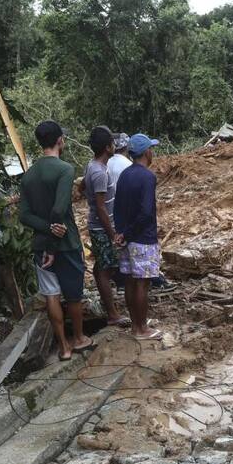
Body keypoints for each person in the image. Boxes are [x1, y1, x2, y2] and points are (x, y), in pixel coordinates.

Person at [19, 120, 92, 360]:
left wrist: (45, 230)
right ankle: (79, 339)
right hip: (65, 243)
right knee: (73, 295)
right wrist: (54, 233)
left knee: (51, 294)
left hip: (40, 244)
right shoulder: (64, 169)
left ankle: (63, 348)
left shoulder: (28, 176)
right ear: (60, 140)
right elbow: (59, 209)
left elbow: (24, 216)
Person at [114, 133, 163, 340]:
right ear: (146, 152)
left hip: (126, 237)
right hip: (142, 237)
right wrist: (129, 232)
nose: (152, 152)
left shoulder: (125, 174)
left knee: (130, 282)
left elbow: (117, 207)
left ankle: (135, 325)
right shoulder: (148, 177)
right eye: (151, 149)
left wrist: (121, 233)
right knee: (142, 283)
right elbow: (146, 212)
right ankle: (142, 329)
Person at [83, 125, 128, 327]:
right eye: (112, 142)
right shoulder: (100, 172)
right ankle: (112, 314)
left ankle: (111, 309)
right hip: (101, 228)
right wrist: (112, 234)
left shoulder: (92, 166)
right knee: (105, 269)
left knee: (103, 267)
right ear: (108, 147)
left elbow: (82, 187)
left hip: (99, 225)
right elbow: (101, 208)